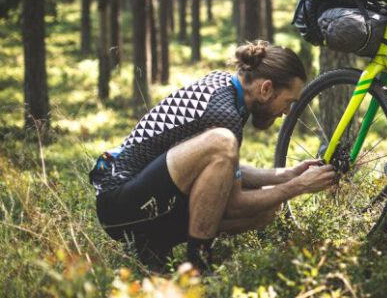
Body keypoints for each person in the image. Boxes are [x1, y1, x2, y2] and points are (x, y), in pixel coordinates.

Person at [89, 40, 336, 271]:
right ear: (266, 89)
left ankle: (153, 243)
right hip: (118, 204)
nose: (287, 112)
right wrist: (298, 186)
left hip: (143, 195)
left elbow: (222, 171)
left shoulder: (228, 89)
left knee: (267, 208)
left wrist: (286, 175)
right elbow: (235, 203)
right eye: (288, 101)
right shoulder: (224, 116)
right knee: (224, 143)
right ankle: (198, 266)